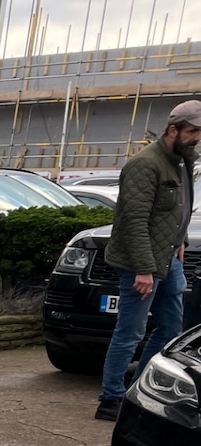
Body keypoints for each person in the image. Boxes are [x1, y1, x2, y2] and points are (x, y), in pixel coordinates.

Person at [95, 100, 200, 420]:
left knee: (171, 331)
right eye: (193, 131)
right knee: (130, 333)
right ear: (173, 129)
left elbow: (178, 207)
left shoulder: (182, 161)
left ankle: (137, 393)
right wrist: (143, 269)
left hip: (169, 259)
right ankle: (110, 399)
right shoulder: (144, 164)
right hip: (140, 265)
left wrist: (180, 240)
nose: (197, 138)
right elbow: (134, 220)